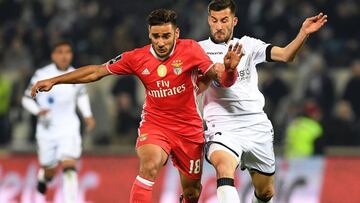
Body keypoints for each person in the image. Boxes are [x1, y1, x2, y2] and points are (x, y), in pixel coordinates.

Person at [30, 9, 243, 203]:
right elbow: (96, 71)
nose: (160, 42)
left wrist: (230, 70)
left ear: (176, 34)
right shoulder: (137, 57)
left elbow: (219, 76)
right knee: (149, 166)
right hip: (155, 125)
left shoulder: (191, 50)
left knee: (192, 192)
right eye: (155, 36)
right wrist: (55, 80)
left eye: (166, 36)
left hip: (189, 129)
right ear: (149, 34)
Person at [197, 0, 327, 202]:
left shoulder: (248, 44)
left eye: (224, 20)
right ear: (208, 21)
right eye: (214, 21)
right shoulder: (198, 50)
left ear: (235, 21)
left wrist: (303, 33)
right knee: (224, 168)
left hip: (256, 126)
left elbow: (285, 55)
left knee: (266, 192)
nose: (219, 26)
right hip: (222, 127)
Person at [22, 41, 96, 202]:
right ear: (53, 55)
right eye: (60, 52)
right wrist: (37, 111)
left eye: (68, 52)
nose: (64, 56)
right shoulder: (41, 74)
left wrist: (88, 115)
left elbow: (82, 96)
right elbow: (26, 99)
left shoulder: (76, 74)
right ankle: (44, 176)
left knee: (69, 166)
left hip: (69, 126)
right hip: (47, 129)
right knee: (50, 169)